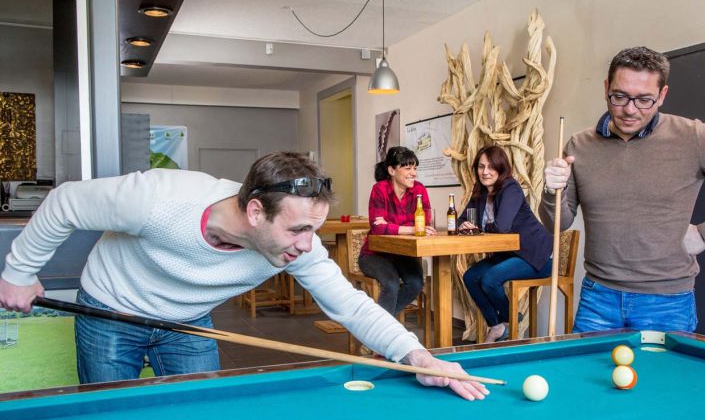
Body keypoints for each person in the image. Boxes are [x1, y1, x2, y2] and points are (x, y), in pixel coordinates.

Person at [0, 152, 487, 400]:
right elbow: (65, 202)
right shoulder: (159, 198)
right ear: (255, 211)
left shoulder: (297, 247)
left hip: (187, 323)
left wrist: (420, 358)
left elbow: (352, 305)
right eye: (298, 229)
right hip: (109, 310)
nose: (306, 243)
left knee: (201, 419)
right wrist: (20, 271)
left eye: (312, 229)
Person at [540, 46, 705, 332]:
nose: (630, 109)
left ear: (662, 95)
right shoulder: (579, 145)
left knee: (666, 378)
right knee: (583, 377)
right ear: (606, 88)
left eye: (644, 99)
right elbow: (555, 224)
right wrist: (550, 190)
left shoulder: (694, 137)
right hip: (597, 298)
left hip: (667, 302)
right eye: (619, 96)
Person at [459, 146, 553, 342]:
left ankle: (510, 318)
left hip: (535, 256)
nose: (485, 172)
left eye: (491, 167)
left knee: (490, 279)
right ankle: (498, 326)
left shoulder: (511, 188)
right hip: (510, 254)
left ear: (502, 169)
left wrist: (476, 227)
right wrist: (464, 224)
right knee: (470, 277)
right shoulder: (480, 191)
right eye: (481, 167)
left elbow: (502, 227)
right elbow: (461, 219)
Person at [358, 146, 436, 317]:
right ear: (392, 170)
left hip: (402, 253)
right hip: (374, 254)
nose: (413, 173)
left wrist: (391, 226)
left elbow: (424, 223)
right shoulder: (379, 189)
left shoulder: (419, 190)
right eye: (407, 168)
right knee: (391, 284)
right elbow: (378, 228)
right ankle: (381, 334)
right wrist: (411, 228)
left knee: (415, 283)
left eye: (415, 168)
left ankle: (380, 325)